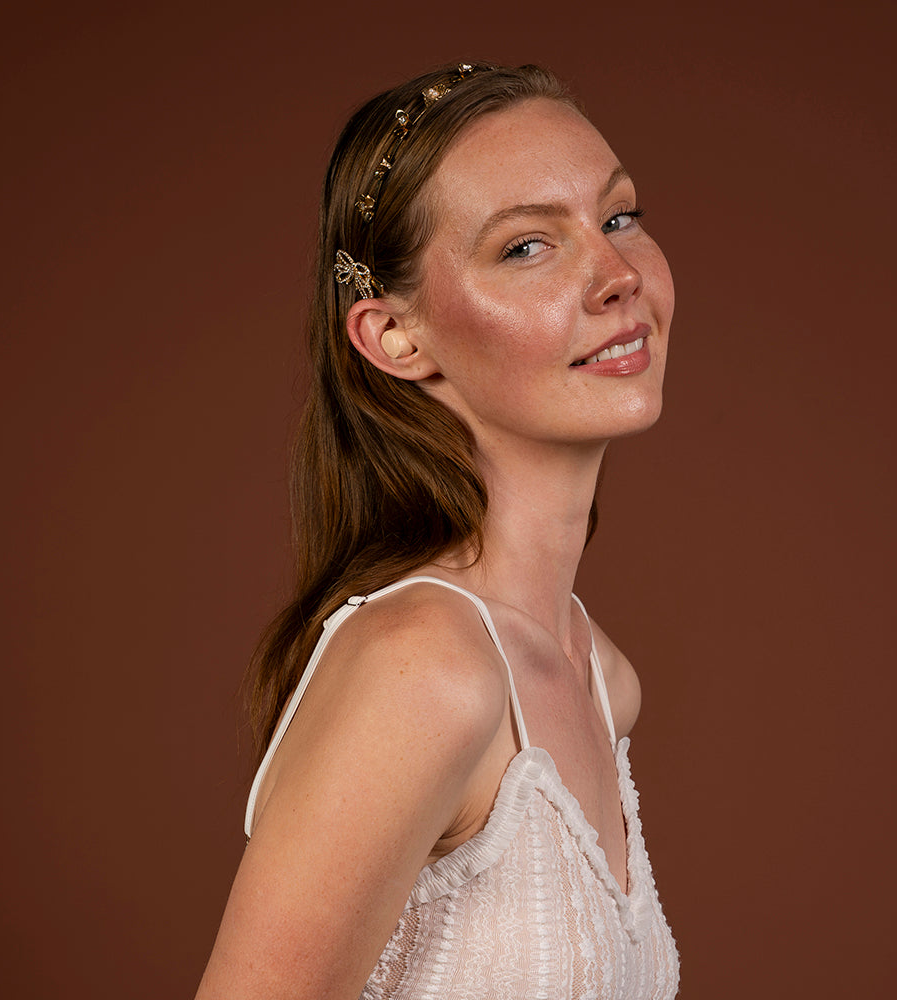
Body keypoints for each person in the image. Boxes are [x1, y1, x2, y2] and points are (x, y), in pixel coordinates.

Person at [196, 62, 679, 999]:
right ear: (395, 337)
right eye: (527, 246)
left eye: (619, 218)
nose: (618, 276)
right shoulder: (423, 667)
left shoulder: (599, 676)